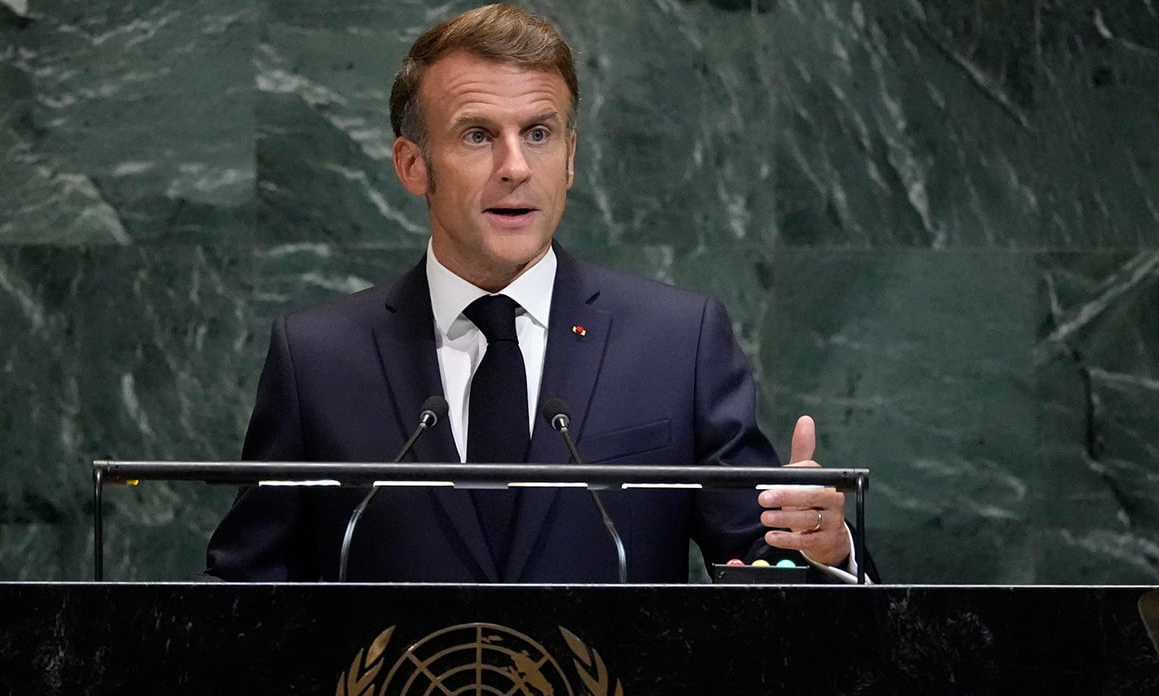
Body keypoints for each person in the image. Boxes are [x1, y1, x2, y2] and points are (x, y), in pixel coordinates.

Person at [205, 3, 875, 584]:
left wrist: (825, 548)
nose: (516, 167)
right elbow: (239, 600)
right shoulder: (317, 359)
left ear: (571, 157)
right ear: (413, 165)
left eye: (538, 133)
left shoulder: (677, 343)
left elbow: (765, 564)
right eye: (478, 135)